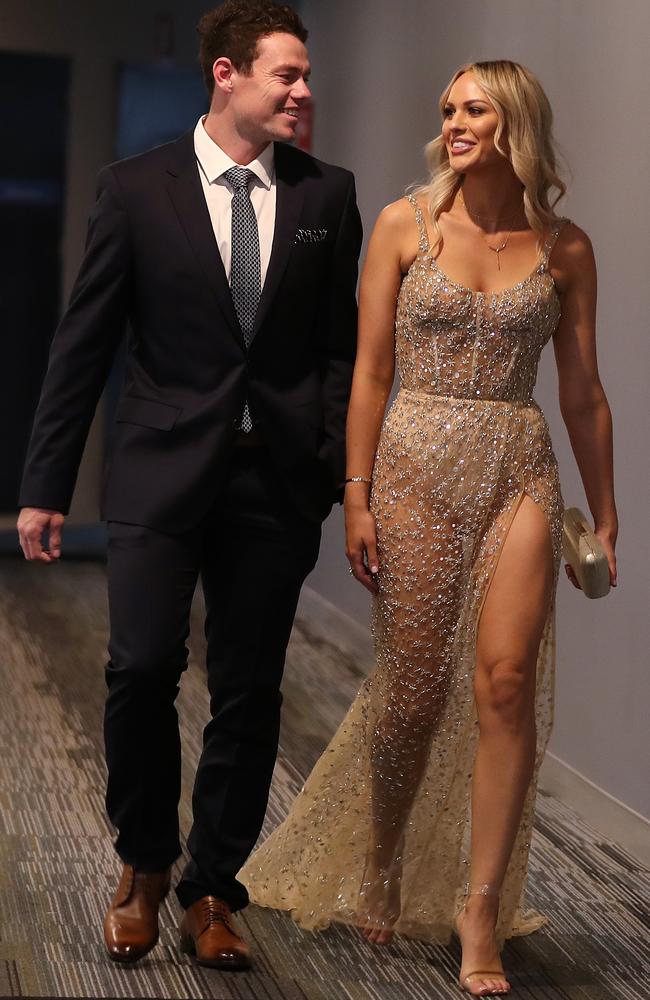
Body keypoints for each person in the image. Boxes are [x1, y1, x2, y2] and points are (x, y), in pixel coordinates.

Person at [240, 60, 618, 996]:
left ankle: (478, 905)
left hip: (517, 463)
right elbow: (368, 373)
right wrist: (357, 493)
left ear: (515, 123)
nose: (453, 121)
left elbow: (583, 393)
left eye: (474, 108)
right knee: (410, 692)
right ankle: (382, 856)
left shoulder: (565, 246)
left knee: (506, 681)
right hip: (413, 461)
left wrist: (605, 511)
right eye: (447, 108)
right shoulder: (405, 225)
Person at [17, 0, 361, 972]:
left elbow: (339, 348)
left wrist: (327, 461)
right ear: (226, 74)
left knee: (248, 692)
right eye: (285, 74)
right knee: (137, 670)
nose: (302, 91)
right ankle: (143, 864)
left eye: (304, 76)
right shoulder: (135, 188)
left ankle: (214, 885)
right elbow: (82, 343)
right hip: (160, 468)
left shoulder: (325, 196)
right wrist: (45, 482)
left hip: (275, 487)